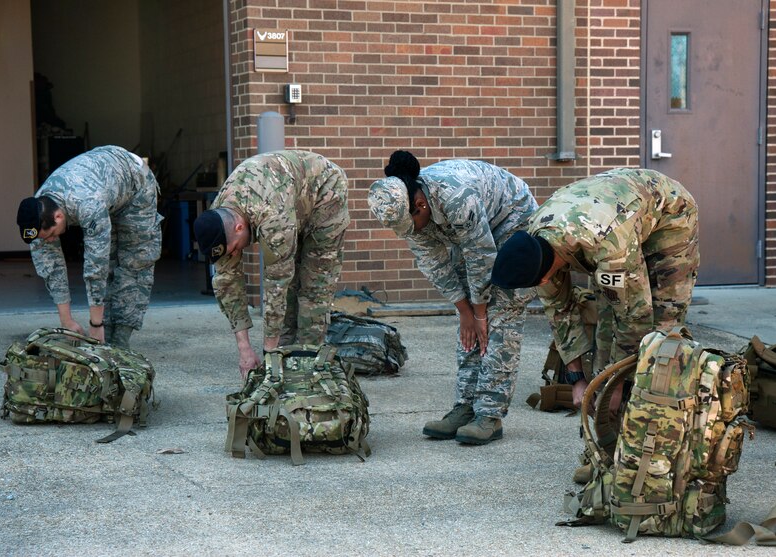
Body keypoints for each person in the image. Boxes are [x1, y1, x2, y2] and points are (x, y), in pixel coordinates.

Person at [491, 167, 699, 411]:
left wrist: (616, 385)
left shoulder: (610, 252)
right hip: (612, 210)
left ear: (543, 279)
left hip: (669, 211)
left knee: (665, 317)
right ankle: (608, 391)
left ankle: (659, 407)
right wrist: (577, 379)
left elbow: (634, 316)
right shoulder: (533, 247)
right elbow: (561, 314)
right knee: (608, 310)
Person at [368, 150, 538, 445]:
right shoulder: (406, 206)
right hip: (475, 232)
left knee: (501, 314)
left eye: (409, 225)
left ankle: (489, 414)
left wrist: (481, 313)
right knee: (469, 325)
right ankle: (465, 406)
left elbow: (481, 256)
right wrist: (466, 312)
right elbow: (434, 263)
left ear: (419, 205)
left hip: (513, 221)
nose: (409, 233)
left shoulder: (456, 196)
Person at [193, 150, 350, 379]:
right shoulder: (221, 214)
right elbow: (227, 283)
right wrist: (245, 351)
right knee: (288, 288)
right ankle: (286, 348)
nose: (236, 253)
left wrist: (268, 354)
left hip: (325, 191)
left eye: (236, 247)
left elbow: (277, 284)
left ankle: (307, 360)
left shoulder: (271, 215)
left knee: (313, 282)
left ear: (239, 227)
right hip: (289, 198)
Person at [16, 145, 162, 349]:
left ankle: (119, 339)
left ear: (58, 217)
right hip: (105, 189)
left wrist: (95, 324)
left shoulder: (86, 203)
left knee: (134, 262)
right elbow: (51, 269)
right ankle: (107, 332)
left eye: (50, 235)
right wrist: (66, 321)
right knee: (111, 264)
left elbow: (96, 267)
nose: (48, 240)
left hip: (134, 184)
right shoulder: (38, 210)